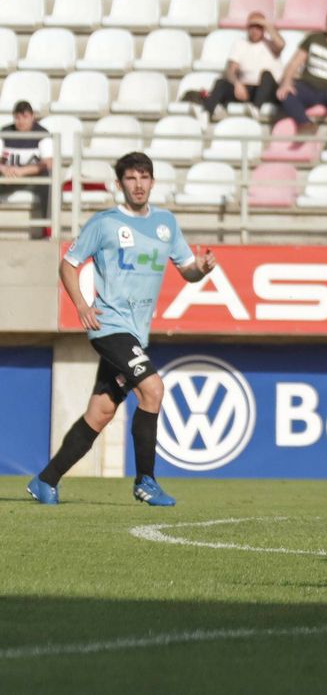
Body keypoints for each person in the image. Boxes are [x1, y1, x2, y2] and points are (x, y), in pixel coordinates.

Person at [28, 152, 218, 509]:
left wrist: (203, 269)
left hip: (136, 333)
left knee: (101, 412)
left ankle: (45, 480)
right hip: (111, 327)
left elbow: (187, 270)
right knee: (153, 389)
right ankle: (146, 481)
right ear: (119, 184)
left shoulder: (166, 223)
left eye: (145, 177)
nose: (139, 184)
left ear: (153, 181)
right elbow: (68, 264)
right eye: (131, 178)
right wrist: (82, 306)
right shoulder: (105, 223)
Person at [200, 11, 284, 121]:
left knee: (266, 74)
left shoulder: (270, 44)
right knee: (221, 83)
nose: (254, 30)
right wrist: (237, 84)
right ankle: (206, 113)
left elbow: (281, 44)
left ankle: (256, 108)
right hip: (247, 89)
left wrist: (267, 24)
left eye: (258, 27)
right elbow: (230, 70)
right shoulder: (240, 44)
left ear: (264, 28)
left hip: (269, 90)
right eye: (252, 27)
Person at [0, 101, 52, 238]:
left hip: (33, 178)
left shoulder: (42, 133)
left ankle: (47, 230)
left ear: (32, 116)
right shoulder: (5, 132)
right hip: (8, 177)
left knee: (49, 181)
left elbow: (48, 162)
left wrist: (22, 171)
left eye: (25, 116)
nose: (21, 121)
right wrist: (3, 168)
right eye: (17, 117)